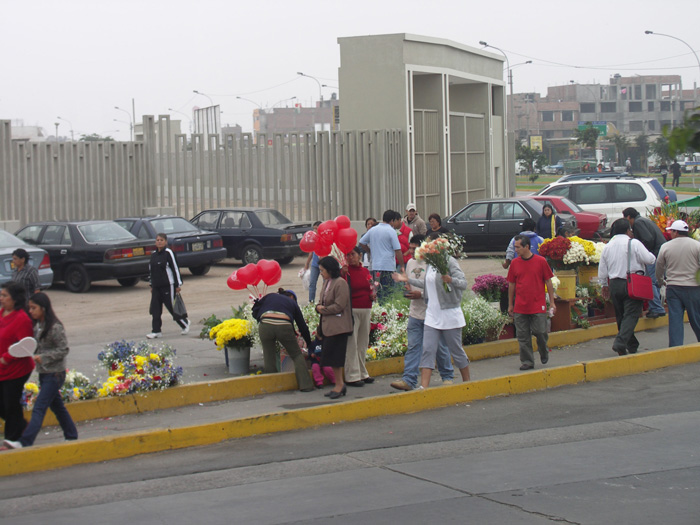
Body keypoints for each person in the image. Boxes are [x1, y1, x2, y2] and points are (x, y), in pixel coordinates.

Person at [3, 293, 78, 449]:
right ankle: (71, 436)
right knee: (57, 407)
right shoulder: (38, 326)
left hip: (55, 374)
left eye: (34, 308)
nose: (30, 311)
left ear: (43, 308)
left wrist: (43, 357)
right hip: (45, 374)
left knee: (39, 407)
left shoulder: (55, 327)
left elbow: (63, 350)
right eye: (29, 307)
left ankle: (25, 441)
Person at [393, 249, 471, 389]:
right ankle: (423, 387)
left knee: (456, 350)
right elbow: (429, 284)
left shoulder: (449, 262)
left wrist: (450, 280)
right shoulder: (430, 264)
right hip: (432, 315)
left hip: (449, 314)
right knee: (428, 350)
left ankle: (468, 383)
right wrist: (407, 279)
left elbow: (463, 283)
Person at [390, 235, 455, 391]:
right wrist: (408, 287)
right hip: (415, 313)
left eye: (414, 248)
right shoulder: (411, 263)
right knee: (414, 346)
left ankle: (447, 376)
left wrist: (422, 294)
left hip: (432, 313)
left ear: (423, 248)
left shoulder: (435, 264)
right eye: (410, 248)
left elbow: (441, 289)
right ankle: (409, 379)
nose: (411, 251)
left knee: (438, 347)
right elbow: (411, 281)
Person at [598, 218, 656, 356]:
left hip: (614, 284)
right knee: (632, 314)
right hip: (631, 283)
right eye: (630, 229)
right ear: (627, 230)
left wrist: (604, 285)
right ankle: (620, 342)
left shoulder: (608, 246)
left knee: (621, 315)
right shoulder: (633, 243)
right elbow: (649, 259)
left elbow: (602, 269)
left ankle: (631, 344)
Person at [507, 235, 557, 371]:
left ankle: (543, 349)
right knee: (523, 336)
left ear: (526, 247)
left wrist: (552, 302)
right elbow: (511, 284)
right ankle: (527, 361)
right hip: (520, 306)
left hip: (537, 305)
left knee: (540, 331)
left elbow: (548, 281)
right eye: (515, 247)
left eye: (518, 247)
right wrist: (510, 304)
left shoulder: (540, 261)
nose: (515, 249)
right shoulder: (515, 264)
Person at [252, 288, 315, 392]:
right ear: (292, 297)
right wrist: (309, 343)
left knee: (269, 355)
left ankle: (272, 385)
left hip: (265, 324)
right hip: (284, 326)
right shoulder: (292, 302)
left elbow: (255, 310)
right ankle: (306, 385)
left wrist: (262, 319)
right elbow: (303, 326)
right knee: (296, 354)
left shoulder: (270, 296)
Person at [655, 220, 700, 347]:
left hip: (673, 288)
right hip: (693, 287)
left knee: (675, 319)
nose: (670, 233)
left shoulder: (666, 246)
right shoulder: (696, 245)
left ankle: (675, 347)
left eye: (671, 231)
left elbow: (659, 267)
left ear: (675, 232)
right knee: (696, 318)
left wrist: (660, 281)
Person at [0, 282, 34, 444]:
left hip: (16, 370)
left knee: (11, 405)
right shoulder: (1, 313)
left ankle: (11, 439)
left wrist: (7, 357)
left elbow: (26, 345)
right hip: (1, 370)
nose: (1, 298)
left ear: (14, 299)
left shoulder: (22, 319)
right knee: (3, 406)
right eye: (1, 295)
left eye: (5, 296)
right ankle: (22, 426)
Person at [315, 257, 353, 399]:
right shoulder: (326, 283)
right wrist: (318, 307)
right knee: (330, 357)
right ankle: (338, 383)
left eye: (322, 270)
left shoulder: (340, 283)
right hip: (327, 326)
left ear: (330, 270)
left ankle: (339, 385)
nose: (321, 273)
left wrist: (322, 309)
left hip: (339, 327)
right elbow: (321, 302)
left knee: (336, 357)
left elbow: (339, 306)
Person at [622, 207, 666, 318]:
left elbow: (648, 239)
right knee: (655, 282)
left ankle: (656, 308)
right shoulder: (643, 220)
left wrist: (642, 252)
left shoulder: (638, 223)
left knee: (650, 282)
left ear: (628, 217)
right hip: (659, 253)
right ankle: (656, 307)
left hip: (654, 255)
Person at [146, 233, 189, 338]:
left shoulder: (168, 253)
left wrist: (178, 284)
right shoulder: (153, 255)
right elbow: (151, 270)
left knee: (171, 306)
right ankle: (156, 331)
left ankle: (185, 323)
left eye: (161, 240)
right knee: (155, 308)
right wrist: (151, 284)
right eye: (157, 240)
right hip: (156, 286)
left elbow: (175, 268)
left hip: (168, 285)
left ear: (165, 242)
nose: (159, 242)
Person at [343, 247, 375, 387]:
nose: (351, 257)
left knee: (362, 343)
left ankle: (362, 372)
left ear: (360, 255)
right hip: (352, 310)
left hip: (366, 309)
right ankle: (352, 375)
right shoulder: (345, 272)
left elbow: (370, 286)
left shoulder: (365, 271)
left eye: (353, 254)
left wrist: (373, 293)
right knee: (352, 344)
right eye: (348, 255)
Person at [359, 210, 405, 303]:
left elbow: (362, 242)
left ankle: (379, 311)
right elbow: (398, 250)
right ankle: (385, 312)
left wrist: (370, 251)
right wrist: (402, 265)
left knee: (377, 292)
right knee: (387, 293)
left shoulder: (373, 229)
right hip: (388, 267)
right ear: (392, 220)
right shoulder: (391, 231)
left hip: (376, 268)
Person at [303, 221, 323, 303]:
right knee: (312, 283)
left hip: (323, 264)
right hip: (315, 265)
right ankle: (311, 301)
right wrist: (307, 263)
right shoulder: (313, 239)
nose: (315, 230)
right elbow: (311, 252)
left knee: (326, 283)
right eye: (314, 229)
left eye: (316, 229)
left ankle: (323, 300)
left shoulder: (324, 239)